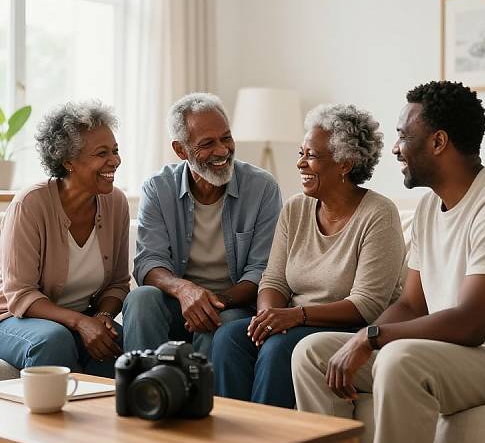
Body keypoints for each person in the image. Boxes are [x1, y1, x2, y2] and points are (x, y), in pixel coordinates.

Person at [292, 81, 485, 443]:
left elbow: (472, 322)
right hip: (444, 349)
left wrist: (373, 337)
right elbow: (411, 304)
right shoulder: (429, 207)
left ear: (438, 142)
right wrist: (359, 340)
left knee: (399, 360)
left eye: (403, 136)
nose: (395, 148)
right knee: (312, 352)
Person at [212, 103, 405, 408]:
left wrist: (294, 317)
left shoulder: (379, 214)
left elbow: (367, 304)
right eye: (301, 153)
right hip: (293, 321)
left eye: (311, 155)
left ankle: (269, 442)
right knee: (229, 338)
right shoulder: (295, 207)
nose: (300, 163)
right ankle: (230, 440)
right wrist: (267, 318)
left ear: (345, 164)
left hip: (346, 329)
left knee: (279, 347)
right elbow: (273, 280)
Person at [122, 92, 282, 359]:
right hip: (176, 304)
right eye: (207, 143)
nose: (222, 150)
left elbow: (262, 271)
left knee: (220, 322)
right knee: (141, 299)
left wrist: (211, 303)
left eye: (226, 138)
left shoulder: (263, 188)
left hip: (234, 304)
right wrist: (185, 291)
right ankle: (144, 394)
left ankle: (204, 401)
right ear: (181, 150)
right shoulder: (158, 188)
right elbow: (149, 262)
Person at [0, 100, 130, 377]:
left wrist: (103, 317)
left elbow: (118, 283)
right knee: (53, 340)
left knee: (115, 340)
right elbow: (20, 294)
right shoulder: (31, 204)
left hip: (78, 317)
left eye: (115, 151)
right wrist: (81, 323)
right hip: (15, 318)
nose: (115, 161)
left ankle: (105, 421)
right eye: (102, 153)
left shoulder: (116, 202)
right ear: (68, 161)